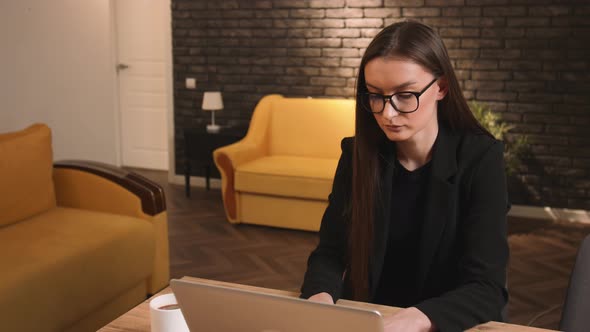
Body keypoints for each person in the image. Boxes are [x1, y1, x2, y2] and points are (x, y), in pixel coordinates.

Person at [300, 21, 510, 332]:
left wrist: (414, 319)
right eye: (375, 95)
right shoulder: (357, 155)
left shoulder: (480, 160)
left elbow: (486, 288)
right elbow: (330, 254)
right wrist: (320, 298)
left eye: (405, 95)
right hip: (369, 321)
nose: (387, 113)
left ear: (441, 88)